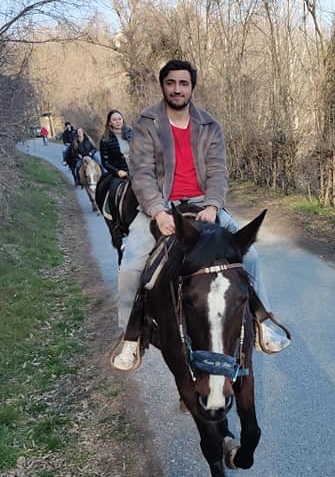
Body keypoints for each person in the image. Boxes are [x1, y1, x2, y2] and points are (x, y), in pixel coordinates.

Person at [111, 59, 291, 371]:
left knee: (250, 258)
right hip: (160, 206)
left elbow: (219, 173)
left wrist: (212, 206)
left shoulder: (210, 126)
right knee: (130, 268)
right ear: (163, 86)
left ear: (192, 87)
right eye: (171, 83)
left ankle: (264, 322)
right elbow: (140, 173)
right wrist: (157, 212)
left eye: (183, 83)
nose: (177, 89)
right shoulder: (146, 123)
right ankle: (131, 336)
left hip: (202, 202)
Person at [98, 109, 131, 178]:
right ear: (110, 123)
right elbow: (105, 163)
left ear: (123, 120)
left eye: (119, 119)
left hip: (138, 170)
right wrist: (117, 172)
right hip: (121, 173)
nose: (118, 122)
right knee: (112, 187)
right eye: (114, 120)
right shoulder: (105, 140)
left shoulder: (133, 133)